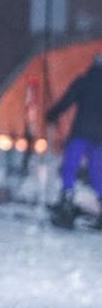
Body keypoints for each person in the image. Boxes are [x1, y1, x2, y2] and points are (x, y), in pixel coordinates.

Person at [46, 53, 102, 230]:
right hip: (99, 138)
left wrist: (53, 113)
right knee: (97, 171)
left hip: (80, 133)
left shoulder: (83, 82)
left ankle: (67, 199)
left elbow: (67, 100)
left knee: (70, 166)